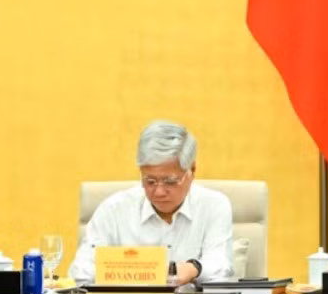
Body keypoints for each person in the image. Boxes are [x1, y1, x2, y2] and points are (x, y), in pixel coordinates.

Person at [71, 120, 234, 285]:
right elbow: (80, 273)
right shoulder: (113, 210)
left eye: (170, 181)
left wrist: (193, 268)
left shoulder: (214, 206)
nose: (159, 192)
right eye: (150, 181)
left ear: (192, 170)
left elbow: (220, 266)